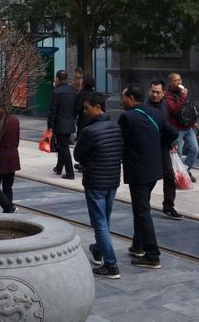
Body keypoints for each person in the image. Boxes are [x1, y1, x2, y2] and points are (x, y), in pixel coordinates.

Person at [119, 84, 176, 269]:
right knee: (140, 208)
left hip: (138, 171)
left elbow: (121, 143)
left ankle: (152, 254)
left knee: (142, 211)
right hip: (154, 169)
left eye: (123, 97)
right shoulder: (156, 114)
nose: (122, 101)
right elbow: (172, 133)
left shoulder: (127, 117)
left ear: (131, 98)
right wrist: (158, 148)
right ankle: (138, 245)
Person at [74, 91, 123, 279]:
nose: (85, 112)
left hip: (95, 181)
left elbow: (78, 155)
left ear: (98, 107)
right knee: (105, 221)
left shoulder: (89, 131)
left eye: (87, 108)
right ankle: (98, 250)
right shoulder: (115, 127)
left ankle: (111, 265)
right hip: (112, 180)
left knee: (100, 223)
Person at [145, 80, 180, 220]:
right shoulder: (145, 106)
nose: (154, 94)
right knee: (151, 179)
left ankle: (169, 205)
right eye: (152, 91)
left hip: (164, 146)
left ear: (163, 93)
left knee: (169, 176)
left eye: (157, 92)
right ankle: (143, 203)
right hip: (150, 147)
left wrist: (172, 143)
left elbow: (167, 125)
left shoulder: (165, 105)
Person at [165, 73, 197, 183]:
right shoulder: (168, 96)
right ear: (171, 82)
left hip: (188, 127)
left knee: (194, 149)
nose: (179, 82)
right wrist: (183, 97)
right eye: (176, 80)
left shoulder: (183, 93)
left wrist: (193, 121)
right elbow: (174, 109)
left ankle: (186, 169)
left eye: (180, 80)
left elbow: (188, 108)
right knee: (177, 153)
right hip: (177, 128)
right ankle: (179, 175)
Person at [47, 70, 77, 180]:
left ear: (58, 79)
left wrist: (50, 126)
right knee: (61, 145)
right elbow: (75, 109)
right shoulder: (72, 91)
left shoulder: (56, 92)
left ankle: (70, 172)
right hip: (70, 123)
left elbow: (52, 111)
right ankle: (59, 167)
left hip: (60, 124)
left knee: (63, 147)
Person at [0, 106, 21, 214]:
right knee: (8, 186)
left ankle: (9, 207)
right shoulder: (15, 119)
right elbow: (17, 138)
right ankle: (8, 211)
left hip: (2, 156)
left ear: (1, 107)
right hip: (13, 155)